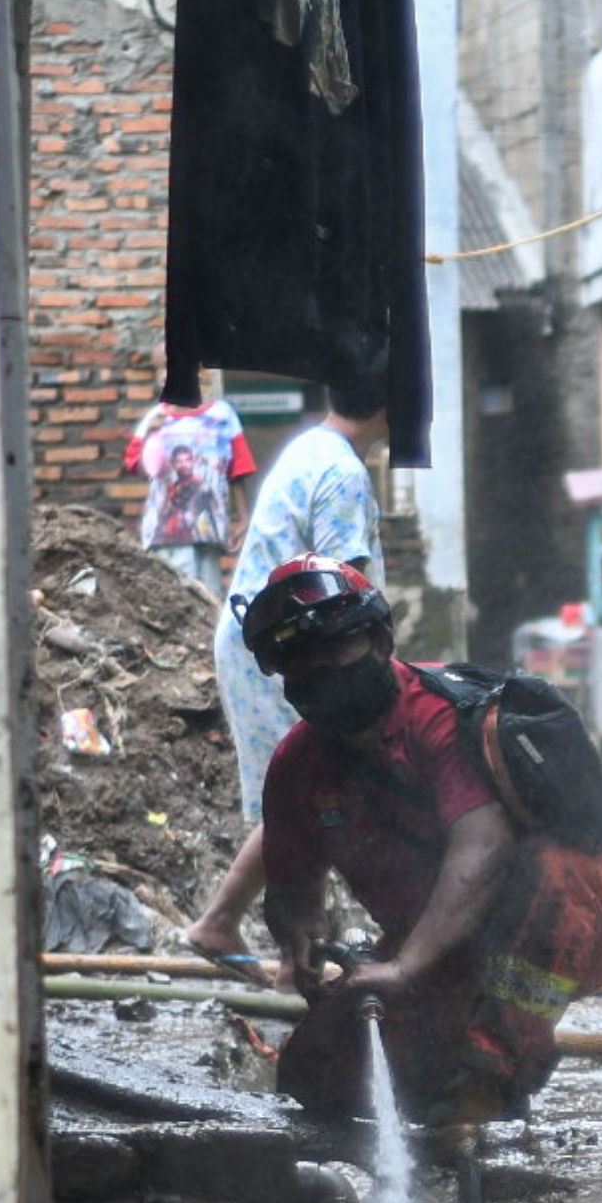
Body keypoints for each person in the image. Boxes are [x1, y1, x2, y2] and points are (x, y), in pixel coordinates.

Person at [236, 557, 602, 1126]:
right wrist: (301, 944)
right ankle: (443, 1080)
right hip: (442, 942)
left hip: (574, 914)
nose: (318, 671)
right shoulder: (297, 765)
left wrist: (405, 970)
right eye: (299, 662)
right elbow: (292, 890)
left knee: (552, 871)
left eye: (332, 650)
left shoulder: (438, 716)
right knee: (318, 1080)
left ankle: (490, 1082)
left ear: (379, 640)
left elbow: (484, 851)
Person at [186, 382, 392, 973]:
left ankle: (257, 941)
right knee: (307, 795)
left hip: (264, 638)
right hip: (288, 648)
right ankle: (245, 936)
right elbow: (340, 590)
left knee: (302, 795)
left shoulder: (311, 448)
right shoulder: (343, 473)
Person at [124, 380, 255, 597]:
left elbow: (237, 468)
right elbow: (138, 465)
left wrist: (243, 516)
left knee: (210, 597)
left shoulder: (222, 415)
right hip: (168, 533)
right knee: (180, 597)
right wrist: (149, 435)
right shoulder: (155, 418)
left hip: (209, 529)